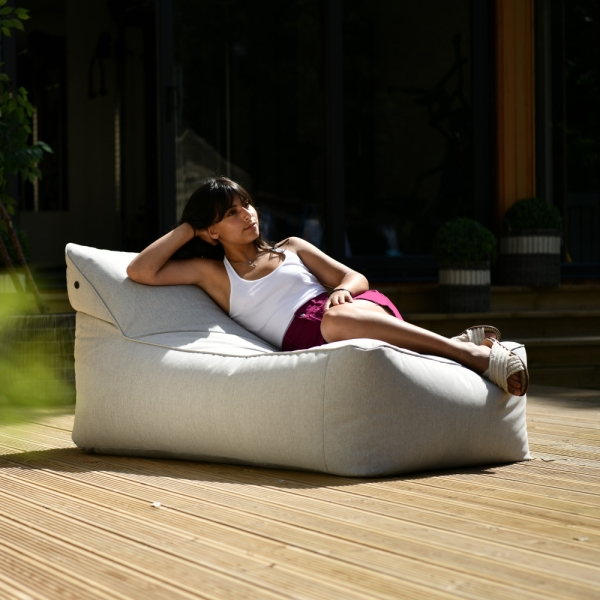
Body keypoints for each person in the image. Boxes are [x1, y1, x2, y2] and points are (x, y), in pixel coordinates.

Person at [127, 177, 529, 396]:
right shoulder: (212, 273)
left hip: (348, 308)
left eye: (246, 204)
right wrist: (188, 228)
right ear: (212, 230)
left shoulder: (291, 247)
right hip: (306, 334)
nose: (247, 214)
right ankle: (460, 348)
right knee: (335, 323)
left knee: (337, 318)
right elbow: (140, 271)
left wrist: (342, 291)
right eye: (231, 213)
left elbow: (357, 278)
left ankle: (467, 353)